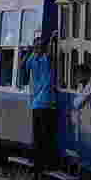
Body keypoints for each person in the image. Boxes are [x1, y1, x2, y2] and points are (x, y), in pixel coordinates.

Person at [19, 31, 58, 169]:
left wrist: (29, 51)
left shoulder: (35, 59)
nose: (38, 48)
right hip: (44, 102)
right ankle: (44, 161)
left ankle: (38, 161)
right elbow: (51, 53)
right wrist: (52, 38)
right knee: (45, 134)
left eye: (39, 46)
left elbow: (22, 65)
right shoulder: (41, 58)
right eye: (38, 46)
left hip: (39, 102)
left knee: (39, 134)